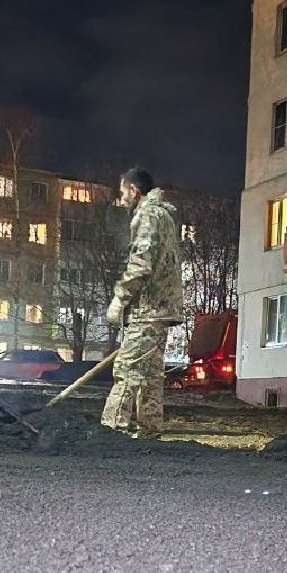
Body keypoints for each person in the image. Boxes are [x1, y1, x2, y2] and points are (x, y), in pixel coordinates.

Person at [102, 167, 183, 438]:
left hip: (149, 309)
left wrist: (119, 299)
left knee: (126, 370)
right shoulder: (165, 216)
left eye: (123, 192)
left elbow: (141, 262)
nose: (121, 198)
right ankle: (150, 432)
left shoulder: (147, 215)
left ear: (134, 191)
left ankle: (112, 432)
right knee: (150, 376)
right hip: (162, 309)